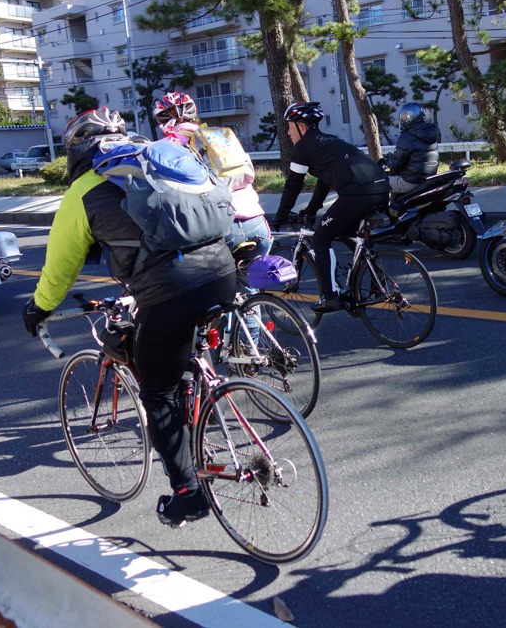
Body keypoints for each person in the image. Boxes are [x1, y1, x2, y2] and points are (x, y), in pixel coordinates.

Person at [21, 107, 238, 528]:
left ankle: (188, 494)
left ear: (77, 150)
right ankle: (204, 402)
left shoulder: (84, 189)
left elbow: (60, 267)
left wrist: (39, 308)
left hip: (169, 289)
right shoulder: (160, 160)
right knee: (181, 356)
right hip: (222, 269)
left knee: (158, 392)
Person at [272, 101, 390, 313]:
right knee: (350, 234)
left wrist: (279, 217)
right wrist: (311, 209)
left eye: (289, 127)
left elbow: (293, 185)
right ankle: (377, 286)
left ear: (302, 127)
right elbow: (324, 181)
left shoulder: (304, 147)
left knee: (321, 237)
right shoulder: (331, 141)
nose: (288, 133)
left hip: (357, 193)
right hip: (381, 187)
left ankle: (330, 297)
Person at [152, 92, 273, 286]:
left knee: (210, 294)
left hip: (221, 225)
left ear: (161, 119)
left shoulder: (168, 146)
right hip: (257, 223)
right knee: (248, 292)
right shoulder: (218, 136)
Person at [384, 103, 440, 199]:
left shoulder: (407, 136)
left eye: (404, 117)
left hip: (411, 181)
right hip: (428, 179)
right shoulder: (431, 132)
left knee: (378, 183)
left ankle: (387, 212)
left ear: (410, 117)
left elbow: (397, 163)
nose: (402, 119)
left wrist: (391, 171)